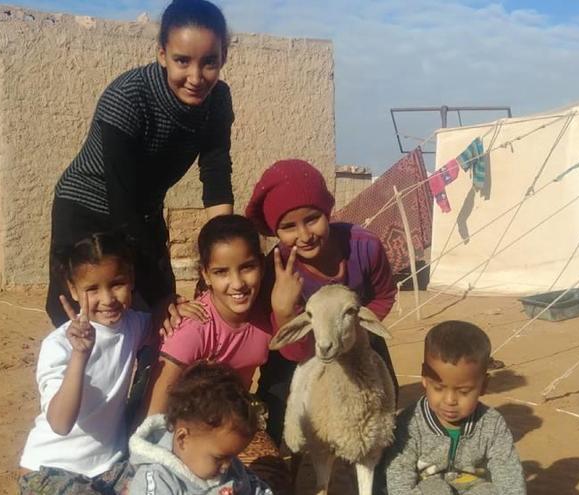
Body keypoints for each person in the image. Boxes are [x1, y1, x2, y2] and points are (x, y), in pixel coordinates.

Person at [46, 0, 235, 331]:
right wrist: (159, 293)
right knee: (87, 311)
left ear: (224, 58)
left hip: (144, 209)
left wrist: (224, 252)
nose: (195, 77)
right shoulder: (128, 98)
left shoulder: (218, 100)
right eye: (182, 61)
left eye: (209, 63)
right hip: (87, 206)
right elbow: (122, 205)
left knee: (157, 319)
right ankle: (76, 378)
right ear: (162, 54)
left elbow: (216, 173)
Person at [244, 158, 399, 443]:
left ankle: (378, 471)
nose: (304, 235)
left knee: (385, 395)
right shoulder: (275, 271)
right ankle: (282, 471)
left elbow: (384, 294)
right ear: (275, 233)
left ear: (327, 212)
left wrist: (353, 331)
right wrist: (283, 309)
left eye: (312, 219)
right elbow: (292, 350)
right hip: (301, 341)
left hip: (353, 332)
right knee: (279, 408)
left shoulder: (365, 248)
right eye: (289, 227)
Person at [143, 214, 295, 493]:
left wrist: (285, 312)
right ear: (205, 274)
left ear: (261, 266)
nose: (237, 284)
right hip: (191, 433)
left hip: (233, 428)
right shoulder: (194, 327)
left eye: (247, 267)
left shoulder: (266, 315)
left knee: (274, 481)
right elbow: (154, 414)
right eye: (221, 272)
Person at [19, 232, 152, 495]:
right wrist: (79, 356)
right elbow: (60, 423)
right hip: (51, 470)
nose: (107, 299)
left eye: (117, 284)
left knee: (162, 482)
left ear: (131, 279)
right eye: (92, 289)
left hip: (110, 468)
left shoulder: (134, 325)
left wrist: (169, 304)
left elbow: (162, 323)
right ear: (72, 290)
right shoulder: (58, 345)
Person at [379, 321, 526, 495]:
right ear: (425, 377)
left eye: (463, 392)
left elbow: (510, 477)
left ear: (483, 385)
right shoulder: (409, 423)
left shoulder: (492, 425)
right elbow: (399, 479)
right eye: (439, 388)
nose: (449, 400)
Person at [128, 361, 273, 494]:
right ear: (183, 439)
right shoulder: (158, 480)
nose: (226, 466)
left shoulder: (230, 466)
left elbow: (257, 489)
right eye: (219, 458)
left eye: (232, 456)